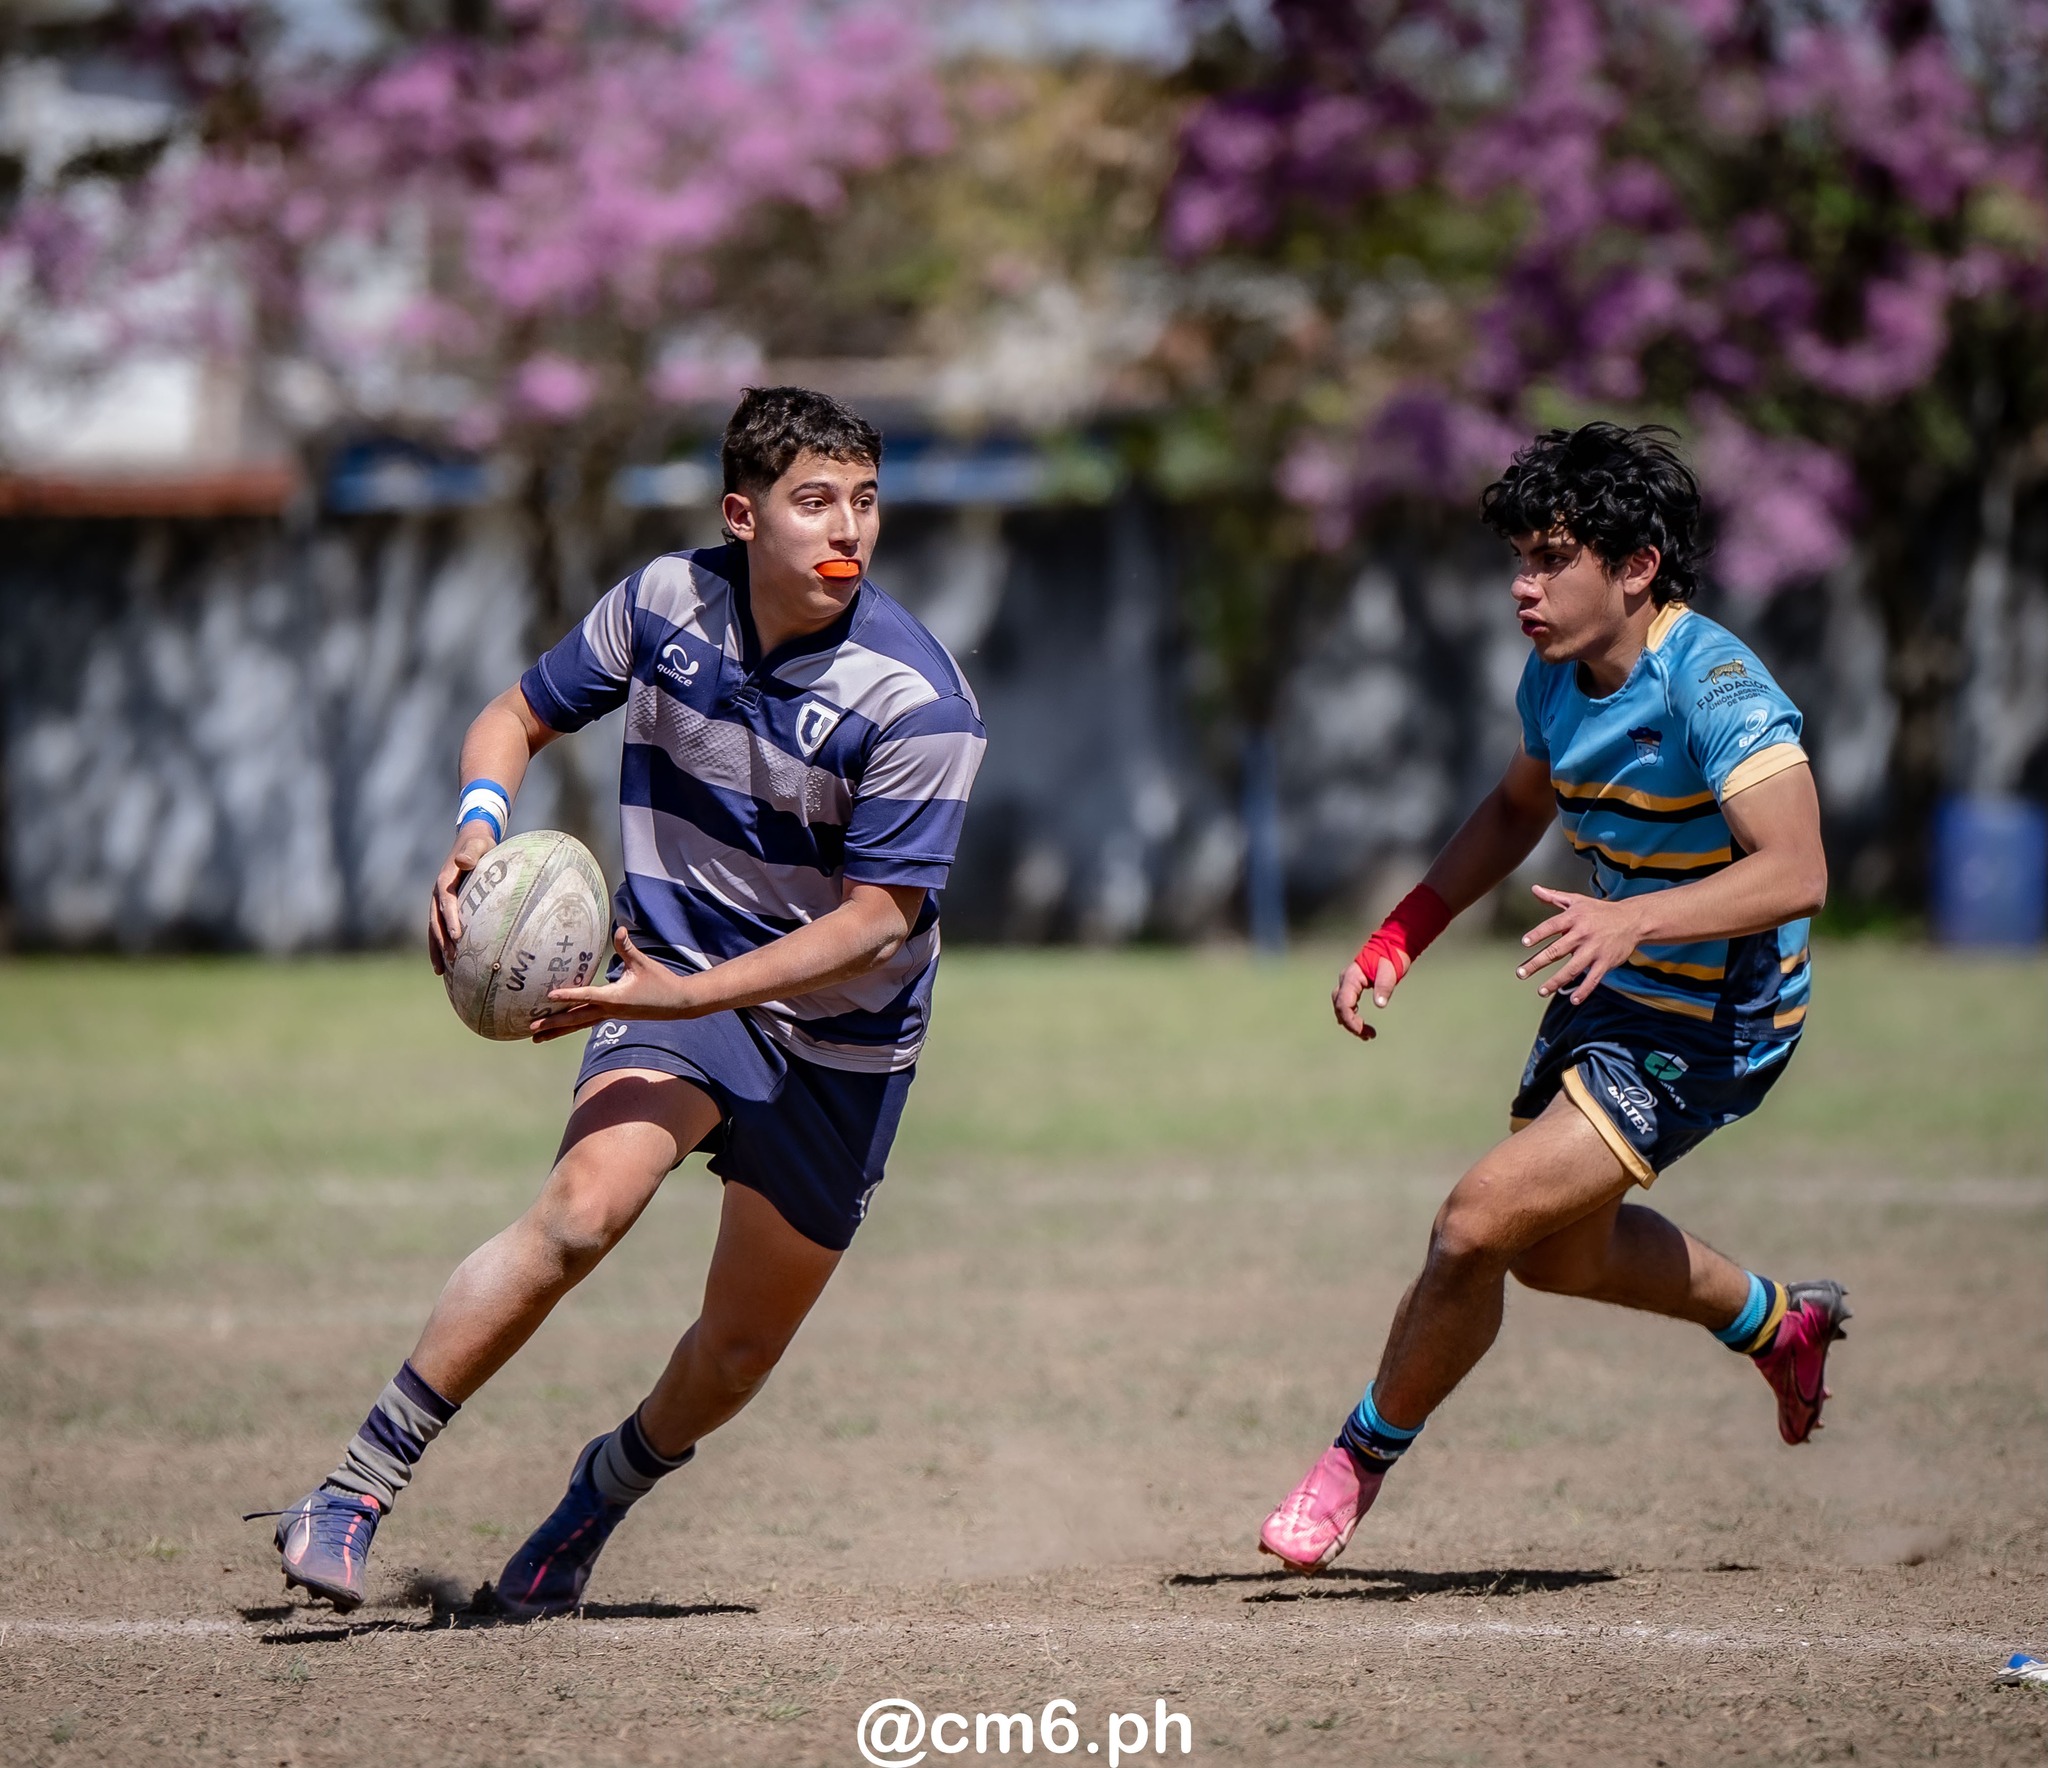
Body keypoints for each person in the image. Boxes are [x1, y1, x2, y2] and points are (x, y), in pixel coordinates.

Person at [257, 386, 985, 1615]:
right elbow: (515, 715)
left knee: (737, 1352)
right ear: (741, 514)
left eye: (864, 500)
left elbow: (877, 921)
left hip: (842, 1036)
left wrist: (692, 984)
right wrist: (476, 828)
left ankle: (596, 1496)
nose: (845, 527)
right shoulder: (662, 604)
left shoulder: (918, 701)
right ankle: (353, 1486)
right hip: (676, 981)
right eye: (814, 502)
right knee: (581, 1214)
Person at [1259, 422, 1846, 1573]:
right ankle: (1780, 1320)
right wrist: (1401, 933)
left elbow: (1798, 871)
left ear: (1634, 567)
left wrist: (1629, 915)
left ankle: (1352, 1463)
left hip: (1716, 1018)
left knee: (1473, 1222)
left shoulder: (1715, 685)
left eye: (1552, 557)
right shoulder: (1555, 677)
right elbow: (1516, 808)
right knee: (1551, 1257)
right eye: (1516, 559)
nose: (1522, 586)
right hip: (1615, 980)